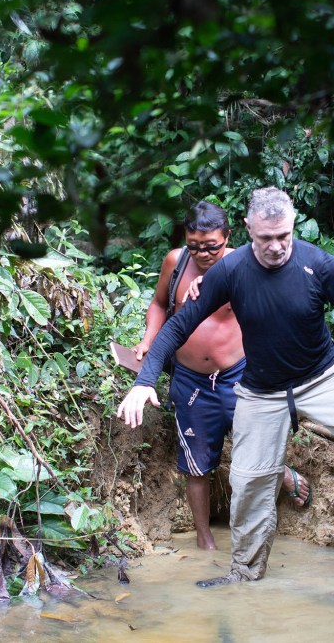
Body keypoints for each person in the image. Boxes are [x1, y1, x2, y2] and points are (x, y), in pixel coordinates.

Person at [118, 188, 334, 588]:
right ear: (248, 230)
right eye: (265, 238)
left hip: (324, 379)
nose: (277, 247)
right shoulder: (230, 271)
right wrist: (143, 382)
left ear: (292, 227)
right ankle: (243, 575)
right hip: (261, 393)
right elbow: (177, 324)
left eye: (284, 236)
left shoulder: (318, 263)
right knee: (248, 483)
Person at [130, 201, 311, 551]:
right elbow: (158, 303)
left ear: (228, 238)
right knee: (196, 464)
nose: (202, 253)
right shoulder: (175, 261)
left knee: (257, 447)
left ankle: (283, 474)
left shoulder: (245, 263)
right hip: (190, 379)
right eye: (195, 246)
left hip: (239, 374)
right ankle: (204, 541)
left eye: (211, 246)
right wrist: (148, 339)